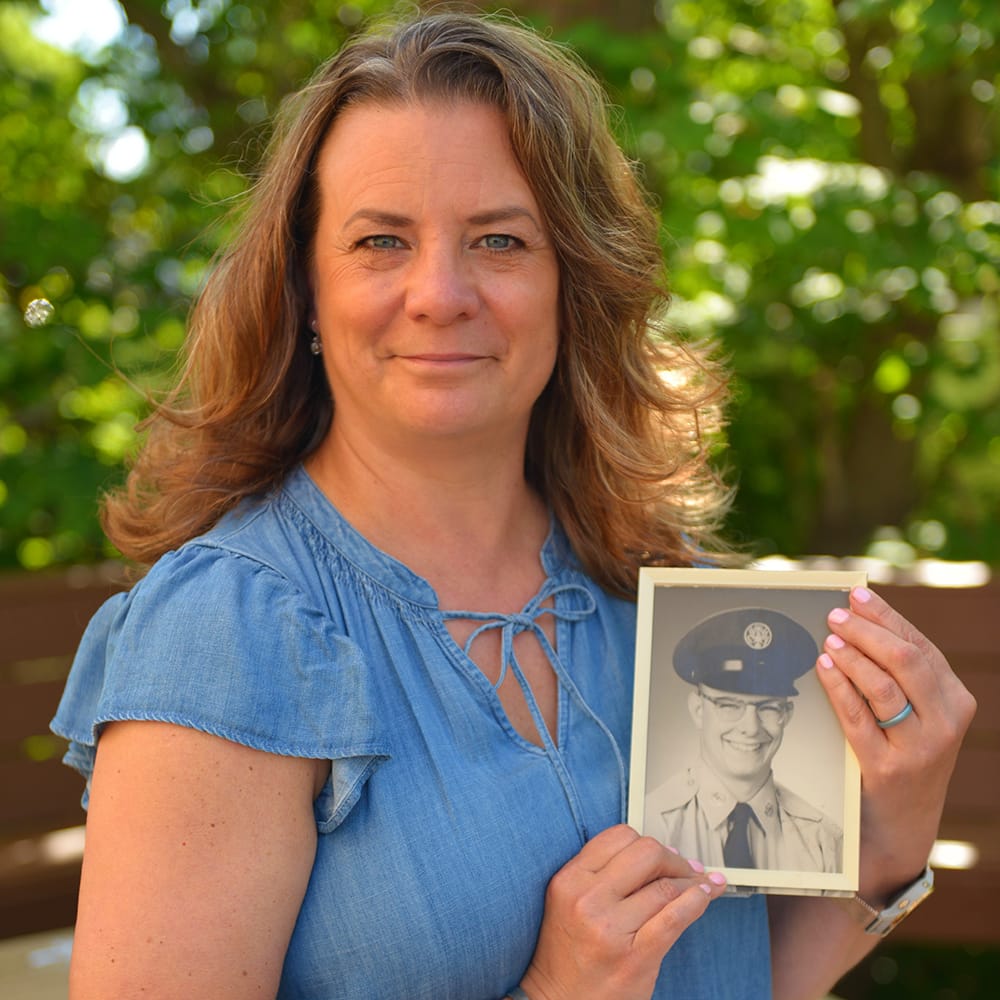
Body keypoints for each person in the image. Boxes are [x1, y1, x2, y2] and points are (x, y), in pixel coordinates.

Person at [50, 11, 975, 1000]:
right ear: (305, 291)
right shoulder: (227, 632)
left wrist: (893, 832)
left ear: (572, 282)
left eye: (499, 239)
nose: (439, 293)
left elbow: (734, 975)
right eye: (380, 241)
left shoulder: (666, 595)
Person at [645, 608, 843, 872]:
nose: (750, 728)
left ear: (787, 714)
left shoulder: (823, 841)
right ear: (698, 710)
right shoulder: (651, 827)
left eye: (768, 707)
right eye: (729, 705)